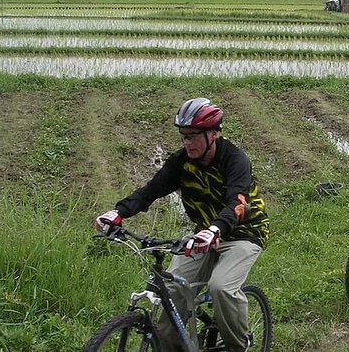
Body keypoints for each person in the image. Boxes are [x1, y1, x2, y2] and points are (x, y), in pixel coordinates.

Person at [94, 97, 269, 352]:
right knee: (171, 290)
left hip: (244, 233)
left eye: (193, 136)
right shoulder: (181, 162)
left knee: (221, 287)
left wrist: (215, 228)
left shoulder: (234, 159)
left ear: (213, 135)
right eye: (183, 136)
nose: (187, 142)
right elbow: (151, 190)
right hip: (205, 234)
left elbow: (238, 203)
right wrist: (117, 212)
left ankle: (237, 346)